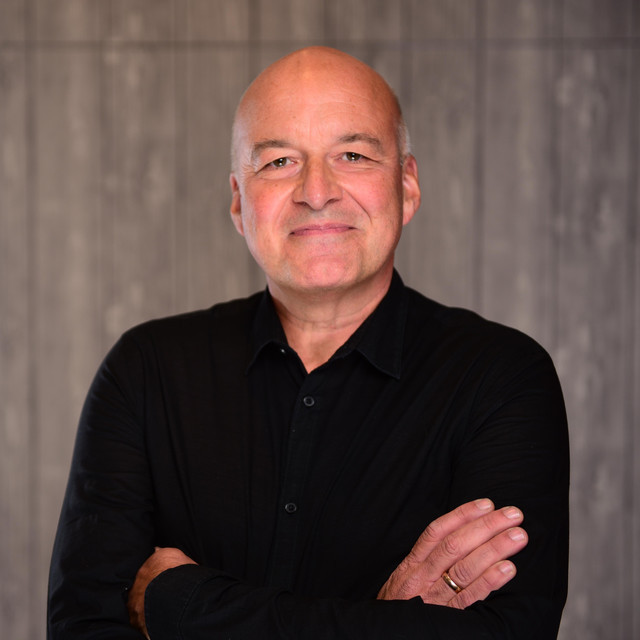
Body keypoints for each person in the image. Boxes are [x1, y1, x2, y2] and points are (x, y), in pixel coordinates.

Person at [47, 46, 569, 639]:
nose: (316, 192)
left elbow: (506, 633)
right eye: (279, 162)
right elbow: (82, 629)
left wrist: (180, 603)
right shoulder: (145, 372)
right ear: (239, 202)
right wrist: (389, 623)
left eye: (353, 155)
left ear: (407, 186)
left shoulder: (501, 377)